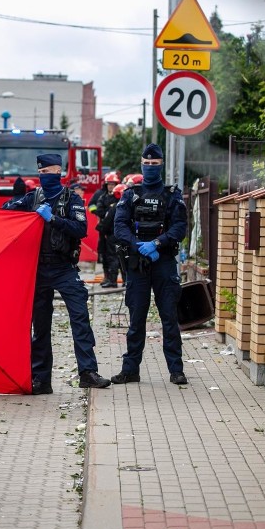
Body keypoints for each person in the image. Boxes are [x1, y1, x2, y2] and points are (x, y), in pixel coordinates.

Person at [4, 153, 111, 394]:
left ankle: (87, 372)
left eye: (48, 172)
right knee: (40, 325)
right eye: (40, 173)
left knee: (80, 317)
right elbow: (6, 214)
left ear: (59, 172)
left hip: (63, 267)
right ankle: (41, 380)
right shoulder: (33, 198)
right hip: (38, 269)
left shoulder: (71, 199)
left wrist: (53, 218)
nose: (44, 176)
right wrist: (16, 200)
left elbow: (81, 228)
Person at [111, 143, 188, 385]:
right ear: (141, 165)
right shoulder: (130, 194)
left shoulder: (172, 194)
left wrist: (156, 243)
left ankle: (176, 370)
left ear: (161, 165)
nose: (151, 167)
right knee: (136, 320)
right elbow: (119, 226)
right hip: (137, 264)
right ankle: (130, 370)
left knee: (169, 318)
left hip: (163, 261)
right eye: (147, 164)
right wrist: (137, 246)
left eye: (155, 164)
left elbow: (180, 227)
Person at [94, 172, 121, 286]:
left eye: (113, 184)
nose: (111, 186)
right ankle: (107, 277)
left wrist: (109, 213)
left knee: (113, 256)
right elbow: (98, 210)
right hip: (103, 230)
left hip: (113, 231)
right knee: (103, 254)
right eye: (109, 184)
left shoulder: (118, 198)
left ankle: (113, 280)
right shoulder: (103, 197)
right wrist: (107, 213)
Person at [97, 182, 126, 288]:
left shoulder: (114, 207)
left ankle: (113, 281)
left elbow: (107, 221)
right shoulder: (129, 206)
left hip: (113, 236)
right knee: (124, 258)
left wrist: (102, 231)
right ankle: (126, 281)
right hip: (126, 237)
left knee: (113, 258)